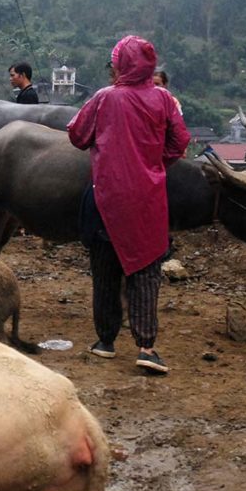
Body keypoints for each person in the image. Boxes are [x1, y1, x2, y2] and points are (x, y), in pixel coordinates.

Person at [68, 35, 190, 375]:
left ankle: (106, 342)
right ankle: (146, 347)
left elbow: (77, 136)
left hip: (106, 198)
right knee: (146, 272)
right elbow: (180, 141)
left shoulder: (104, 98)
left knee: (105, 272)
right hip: (148, 200)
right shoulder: (164, 99)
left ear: (120, 65)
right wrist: (153, 164)